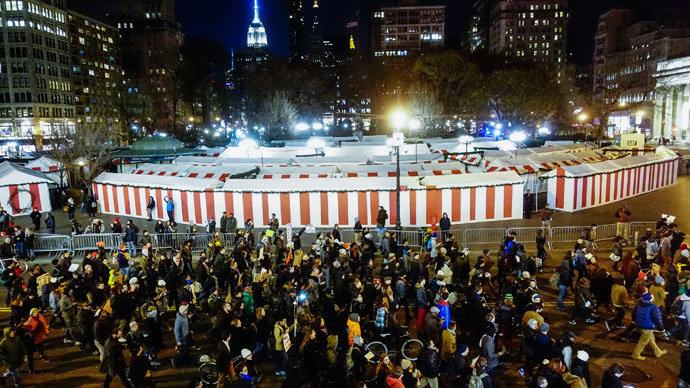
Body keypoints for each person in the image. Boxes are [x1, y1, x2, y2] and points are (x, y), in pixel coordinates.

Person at [632, 292, 667, 360]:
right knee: (643, 342)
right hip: (648, 326)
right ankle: (635, 355)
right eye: (652, 296)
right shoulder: (652, 307)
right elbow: (656, 319)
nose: (653, 297)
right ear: (650, 299)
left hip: (642, 324)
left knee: (651, 339)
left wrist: (634, 321)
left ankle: (658, 352)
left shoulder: (639, 304)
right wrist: (661, 329)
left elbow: (634, 313)